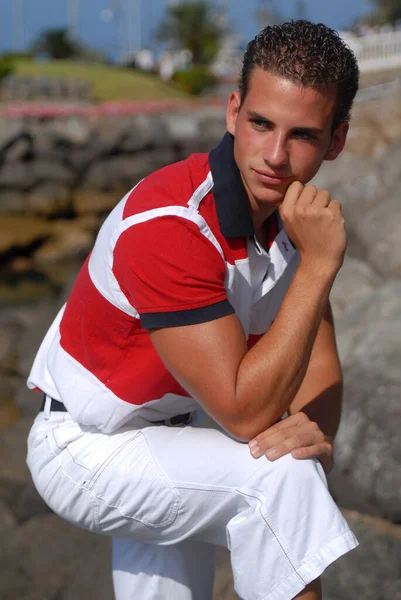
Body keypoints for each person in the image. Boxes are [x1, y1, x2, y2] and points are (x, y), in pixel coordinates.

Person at [26, 20, 360, 600]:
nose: (275, 157)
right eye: (261, 124)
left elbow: (320, 369)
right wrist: (318, 266)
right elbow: (242, 413)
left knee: (288, 469)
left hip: (174, 437)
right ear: (233, 113)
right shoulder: (173, 225)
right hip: (85, 446)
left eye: (302, 134)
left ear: (336, 141)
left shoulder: (291, 218)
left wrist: (314, 439)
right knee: (277, 482)